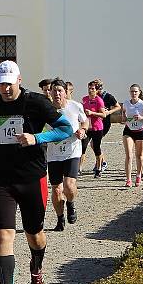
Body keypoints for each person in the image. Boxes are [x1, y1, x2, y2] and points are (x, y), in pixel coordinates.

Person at [0, 61, 73, 284]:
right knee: (4, 235)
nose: (6, 88)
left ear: (19, 79)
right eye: (2, 84)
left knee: (35, 234)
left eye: (10, 83)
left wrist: (37, 138)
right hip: (1, 178)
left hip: (32, 177)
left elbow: (66, 128)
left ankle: (36, 268)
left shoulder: (37, 102)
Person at [46, 79, 88, 231]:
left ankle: (70, 204)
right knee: (57, 190)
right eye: (54, 90)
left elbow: (85, 122)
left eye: (60, 90)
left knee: (69, 186)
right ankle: (60, 218)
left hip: (72, 151)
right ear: (50, 92)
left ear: (65, 92)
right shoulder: (47, 110)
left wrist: (83, 130)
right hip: (54, 154)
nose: (57, 93)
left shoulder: (75, 106)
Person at [120, 84, 143, 187]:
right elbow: (123, 115)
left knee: (139, 155)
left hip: (140, 131)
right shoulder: (126, 103)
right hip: (128, 131)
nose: (133, 93)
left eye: (135, 91)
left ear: (139, 92)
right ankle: (128, 179)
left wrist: (141, 118)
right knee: (129, 155)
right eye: (132, 91)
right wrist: (124, 119)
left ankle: (139, 175)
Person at [80, 80, 107, 177]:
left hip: (97, 128)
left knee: (96, 148)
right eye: (89, 89)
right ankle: (79, 169)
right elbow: (81, 111)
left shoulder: (99, 100)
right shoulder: (84, 99)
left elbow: (104, 115)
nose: (90, 91)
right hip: (87, 128)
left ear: (96, 90)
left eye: (92, 89)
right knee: (82, 147)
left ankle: (99, 169)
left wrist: (92, 113)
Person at [95, 79, 120, 172]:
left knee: (95, 143)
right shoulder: (93, 97)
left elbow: (118, 106)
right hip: (95, 123)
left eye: (99, 87)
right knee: (94, 144)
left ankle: (102, 162)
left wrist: (109, 112)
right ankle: (100, 161)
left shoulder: (108, 96)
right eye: (96, 87)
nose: (98, 89)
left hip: (105, 123)